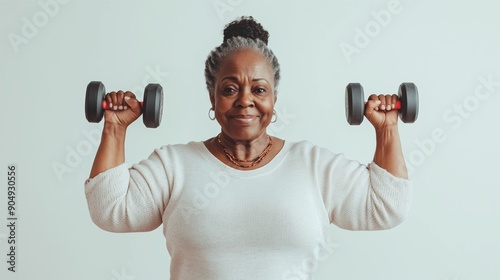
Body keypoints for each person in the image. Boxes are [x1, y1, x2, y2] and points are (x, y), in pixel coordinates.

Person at [85, 16, 412, 280]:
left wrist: (387, 129)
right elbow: (111, 211)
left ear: (273, 99)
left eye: (259, 89)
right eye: (229, 88)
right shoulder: (174, 166)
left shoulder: (312, 165)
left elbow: (385, 207)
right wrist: (114, 127)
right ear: (212, 98)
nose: (245, 100)